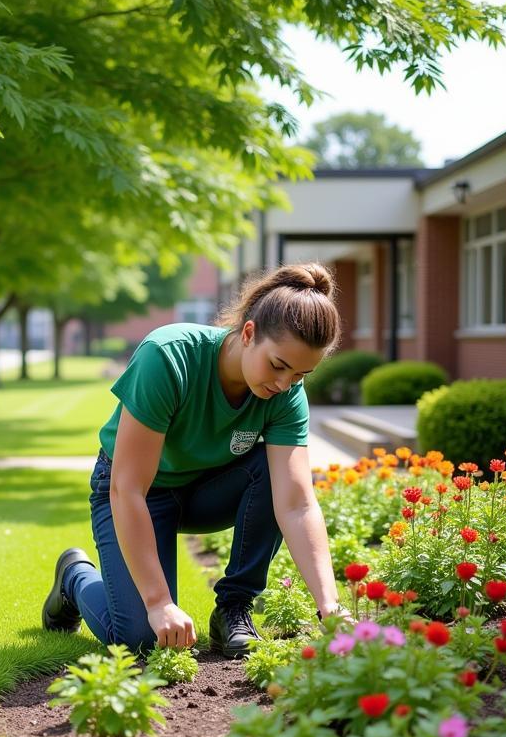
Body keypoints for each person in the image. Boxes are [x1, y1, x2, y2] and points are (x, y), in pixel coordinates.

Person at [42, 262, 347, 657]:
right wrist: (158, 603)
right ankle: (75, 577)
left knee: (276, 474)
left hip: (206, 491)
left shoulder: (285, 395)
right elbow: (127, 488)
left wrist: (331, 607)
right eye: (278, 366)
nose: (284, 384)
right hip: (137, 493)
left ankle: (233, 609)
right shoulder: (168, 357)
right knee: (141, 639)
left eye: (300, 376)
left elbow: (297, 502)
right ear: (249, 332)